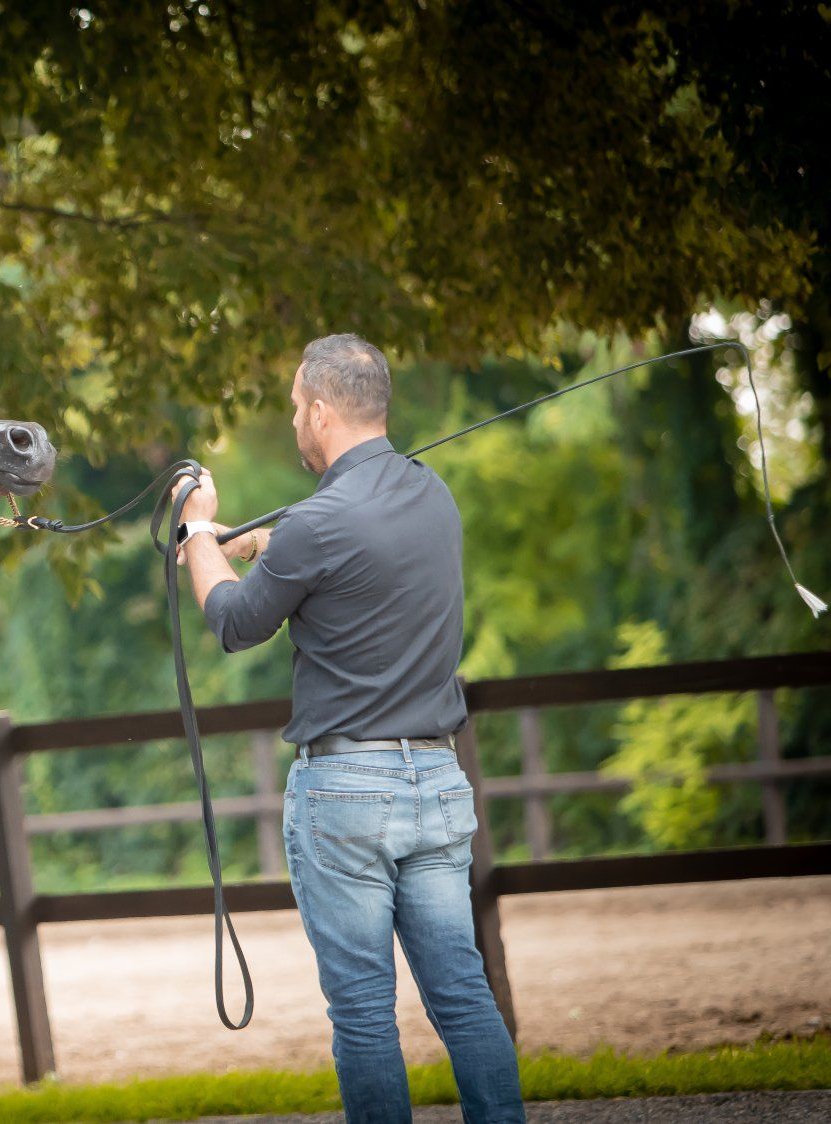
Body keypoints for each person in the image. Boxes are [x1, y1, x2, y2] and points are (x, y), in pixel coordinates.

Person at [173, 334, 524, 1123]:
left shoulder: (319, 524)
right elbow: (332, 545)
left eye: (297, 407)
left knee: (365, 1010)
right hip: (437, 781)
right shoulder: (433, 497)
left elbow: (232, 621)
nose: (296, 420)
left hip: (346, 798)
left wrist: (200, 534)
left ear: (322, 411)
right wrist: (260, 542)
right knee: (463, 994)